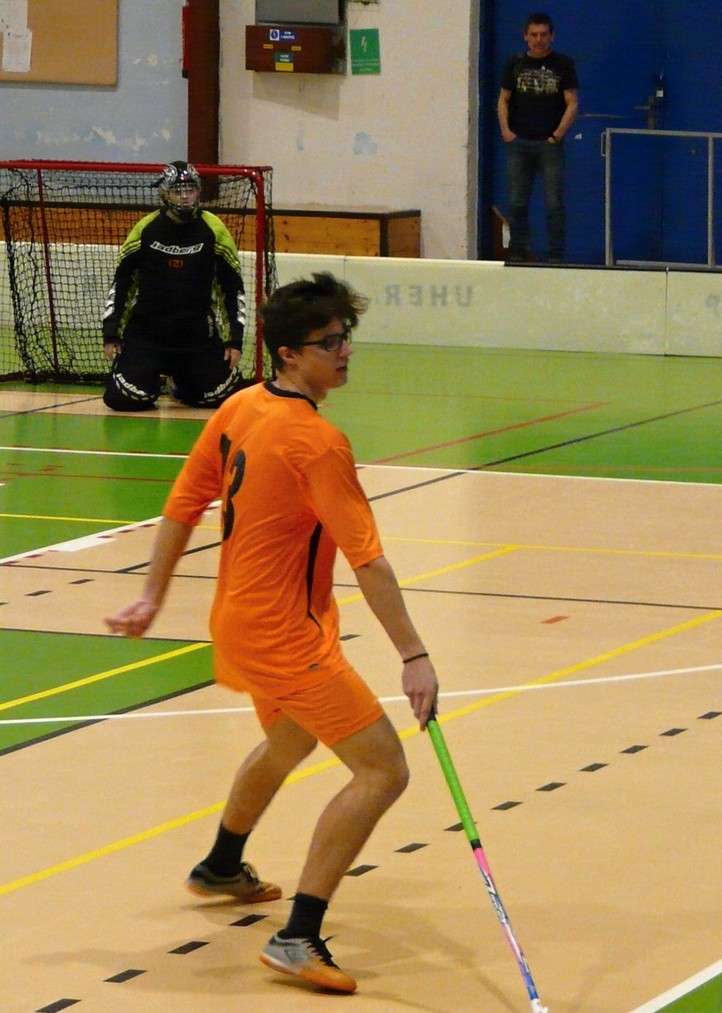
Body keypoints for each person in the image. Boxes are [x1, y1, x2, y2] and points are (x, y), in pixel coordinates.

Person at [105, 272, 440, 994]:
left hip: (239, 620)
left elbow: (181, 504)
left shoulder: (240, 406)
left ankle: (222, 866)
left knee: (291, 739)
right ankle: (298, 936)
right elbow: (369, 560)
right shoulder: (316, 442)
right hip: (284, 635)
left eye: (347, 337)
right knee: (383, 769)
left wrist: (152, 596)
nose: (345, 352)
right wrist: (414, 655)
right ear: (289, 354)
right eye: (330, 342)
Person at [102, 161, 248, 411]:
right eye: (177, 191)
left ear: (198, 192)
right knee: (123, 398)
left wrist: (234, 340)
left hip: (197, 339)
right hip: (146, 336)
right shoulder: (145, 229)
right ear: (165, 194)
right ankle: (146, 378)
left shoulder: (214, 229)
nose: (184, 197)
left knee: (225, 398)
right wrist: (112, 333)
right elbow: (122, 284)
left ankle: (181, 384)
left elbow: (232, 289)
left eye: (190, 190)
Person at [497, 12, 579, 262]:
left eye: (544, 34)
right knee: (517, 202)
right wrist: (506, 132)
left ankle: (555, 256)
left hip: (549, 144)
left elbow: (572, 103)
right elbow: (503, 99)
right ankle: (517, 252)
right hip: (519, 143)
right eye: (534, 35)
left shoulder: (563, 64)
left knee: (554, 204)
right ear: (525, 36)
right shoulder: (515, 64)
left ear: (552, 36)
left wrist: (557, 135)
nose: (539, 39)